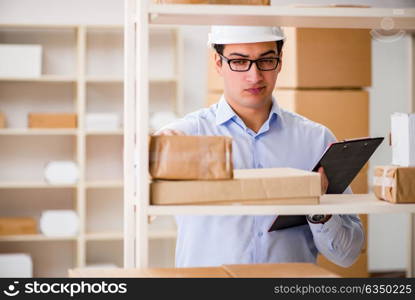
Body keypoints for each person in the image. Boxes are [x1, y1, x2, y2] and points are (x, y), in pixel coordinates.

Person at [156, 25, 364, 268]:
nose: (254, 76)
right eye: (239, 61)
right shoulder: (186, 136)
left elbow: (347, 254)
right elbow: (139, 189)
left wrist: (319, 211)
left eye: (266, 60)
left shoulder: (316, 140)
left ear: (280, 61)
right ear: (217, 63)